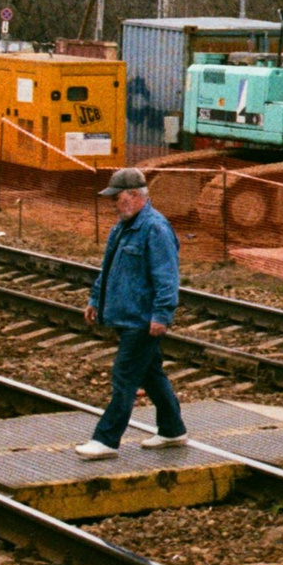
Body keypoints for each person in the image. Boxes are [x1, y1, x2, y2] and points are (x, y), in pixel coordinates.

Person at [74, 168, 188, 459]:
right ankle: (172, 429)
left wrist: (161, 316)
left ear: (135, 196)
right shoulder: (123, 227)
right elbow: (110, 269)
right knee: (150, 374)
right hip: (127, 315)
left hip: (141, 318)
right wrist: (95, 299)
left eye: (117, 198)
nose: (113, 204)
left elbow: (167, 278)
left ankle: (106, 439)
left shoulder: (155, 229)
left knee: (124, 376)